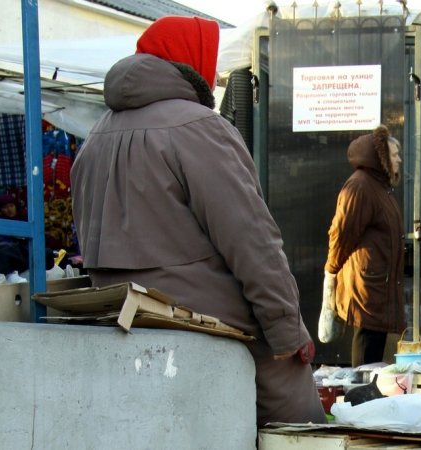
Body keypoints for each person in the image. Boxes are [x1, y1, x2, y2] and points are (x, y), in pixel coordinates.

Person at [70, 16, 326, 426]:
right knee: (290, 390)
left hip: (118, 313)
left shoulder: (94, 137)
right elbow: (252, 241)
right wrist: (287, 333)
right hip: (197, 312)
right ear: (195, 63)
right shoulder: (199, 127)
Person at [323, 124, 405, 367]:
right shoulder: (360, 186)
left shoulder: (379, 187)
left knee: (376, 350)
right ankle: (358, 399)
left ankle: (368, 397)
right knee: (367, 348)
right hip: (367, 287)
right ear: (380, 158)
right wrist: (331, 272)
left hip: (379, 286)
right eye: (394, 155)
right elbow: (341, 234)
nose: (399, 159)